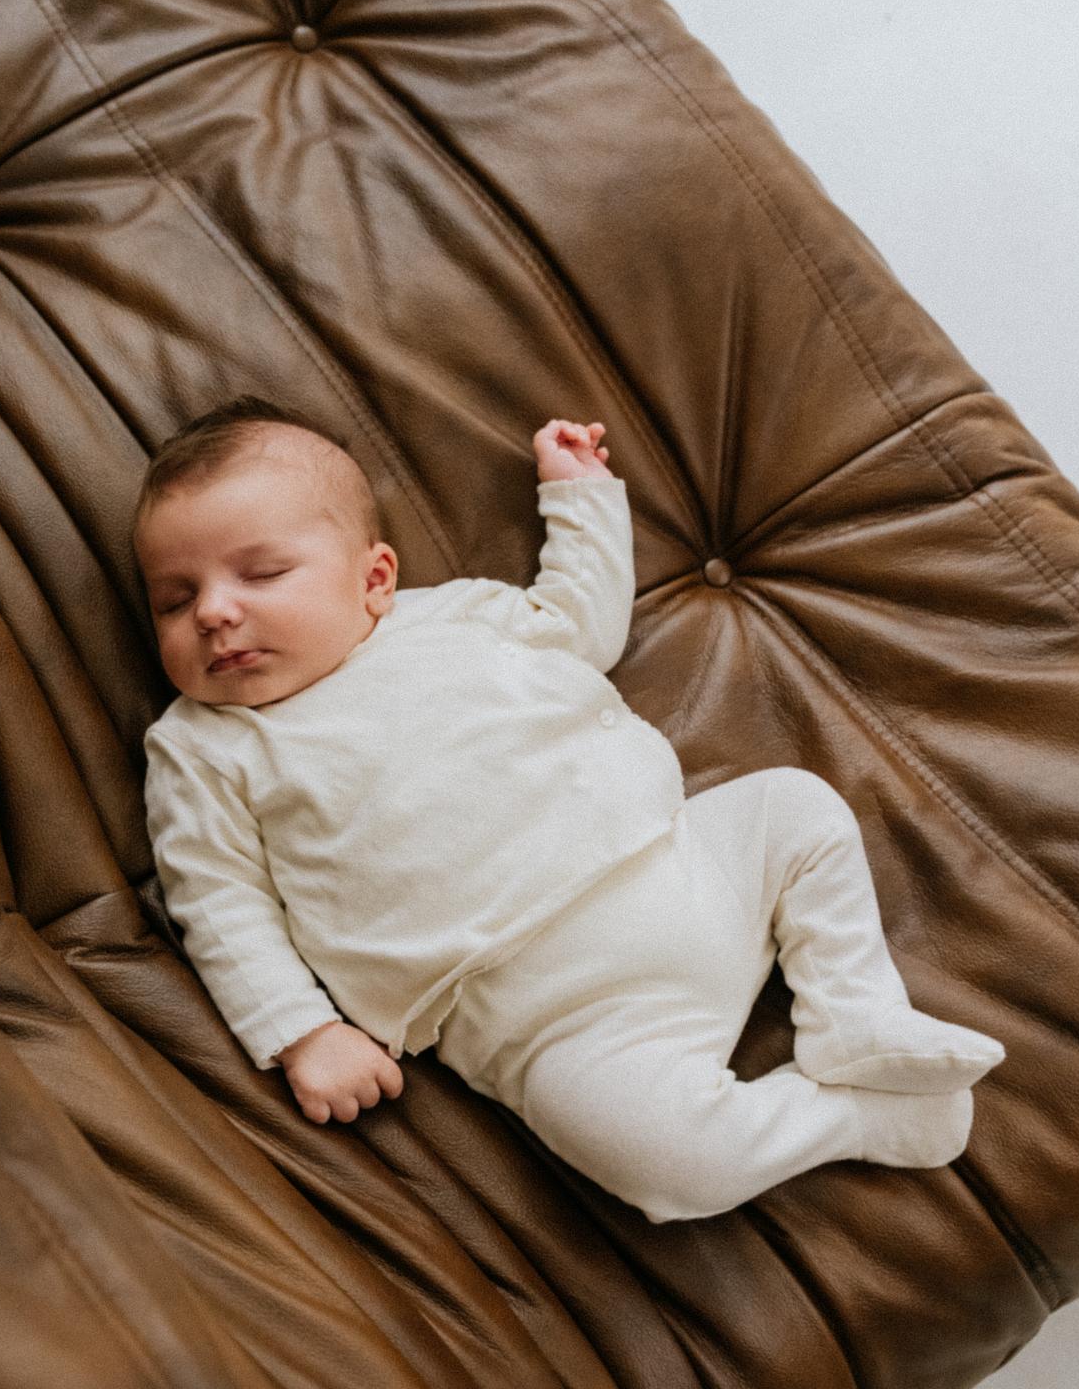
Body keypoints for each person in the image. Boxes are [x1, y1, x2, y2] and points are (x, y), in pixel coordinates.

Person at [134, 396, 1005, 1223]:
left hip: (683, 868)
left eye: (262, 572)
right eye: (174, 599)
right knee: (670, 1170)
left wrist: (579, 496)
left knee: (798, 808)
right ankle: (853, 1122)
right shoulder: (205, 746)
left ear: (374, 579)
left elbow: (580, 625)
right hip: (553, 1019)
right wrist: (302, 1033)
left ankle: (852, 1012)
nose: (213, 612)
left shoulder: (454, 617)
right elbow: (218, 902)